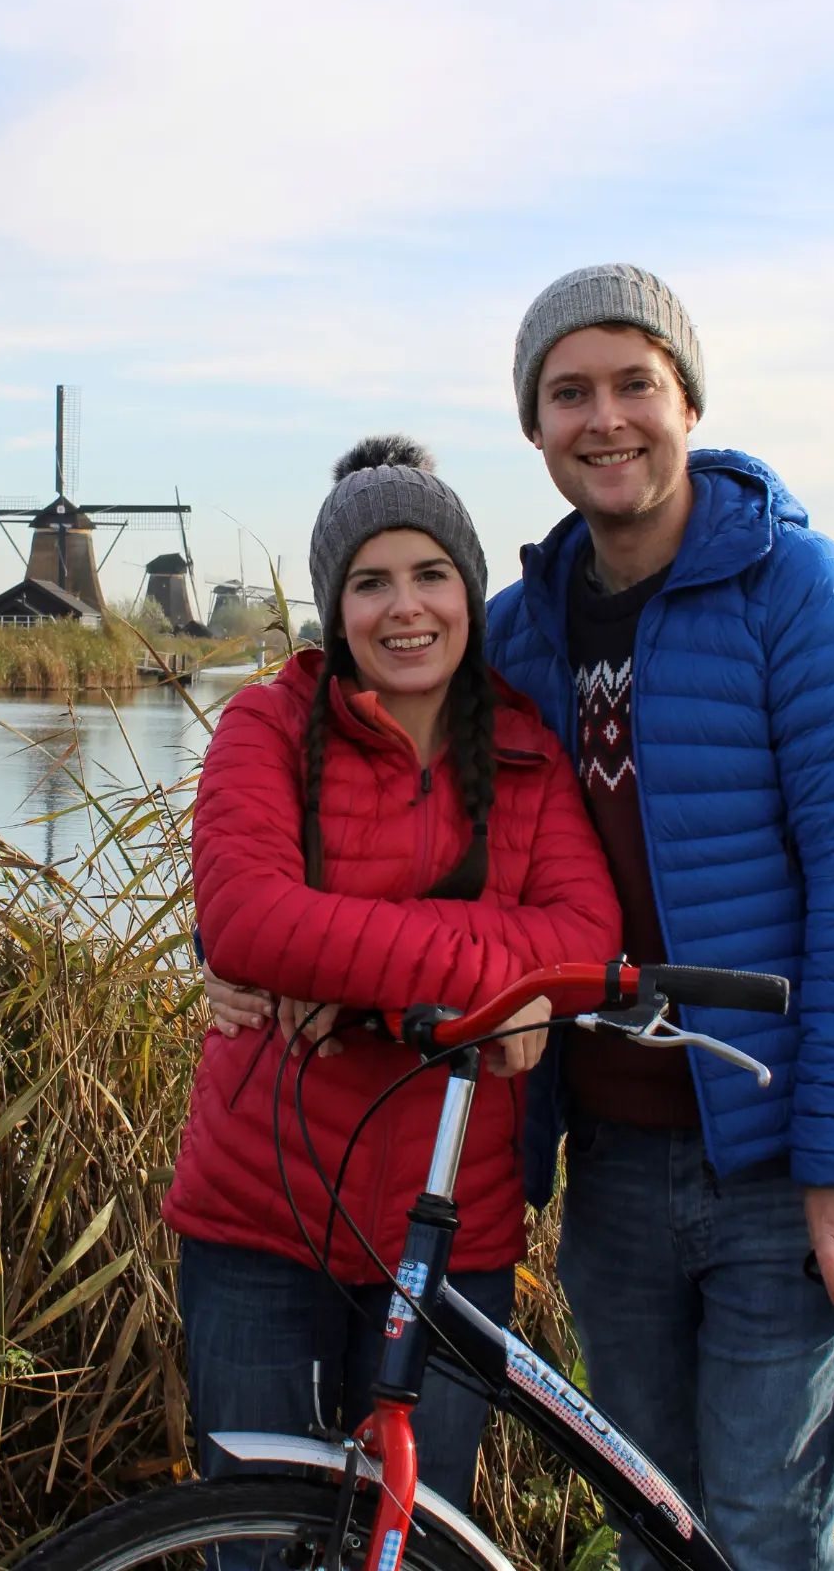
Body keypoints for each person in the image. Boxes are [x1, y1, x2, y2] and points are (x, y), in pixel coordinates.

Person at [485, 263, 834, 1570]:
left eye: (636, 383)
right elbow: (396, 791)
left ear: (688, 401)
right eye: (570, 392)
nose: (605, 417)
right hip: (614, 1165)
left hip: (782, 1165)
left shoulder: (799, 590)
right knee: (653, 1530)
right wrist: (248, 953)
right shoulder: (523, 632)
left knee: (754, 1535)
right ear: (535, 426)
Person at [165, 436, 621, 1511]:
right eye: (370, 582)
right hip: (260, 1218)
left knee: (420, 1529)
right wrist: (493, 983)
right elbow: (244, 922)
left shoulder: (523, 752)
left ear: (469, 591)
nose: (403, 608)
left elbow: (590, 941)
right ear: (335, 604)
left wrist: (350, 962)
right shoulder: (266, 728)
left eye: (431, 575)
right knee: (258, 1531)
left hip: (451, 1225)